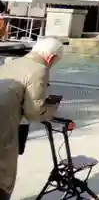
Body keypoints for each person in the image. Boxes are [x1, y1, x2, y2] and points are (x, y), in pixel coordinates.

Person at [0, 37, 63, 200]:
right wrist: (52, 108)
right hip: (5, 129)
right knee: (3, 175)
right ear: (51, 58)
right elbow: (35, 112)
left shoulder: (11, 64)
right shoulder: (39, 69)